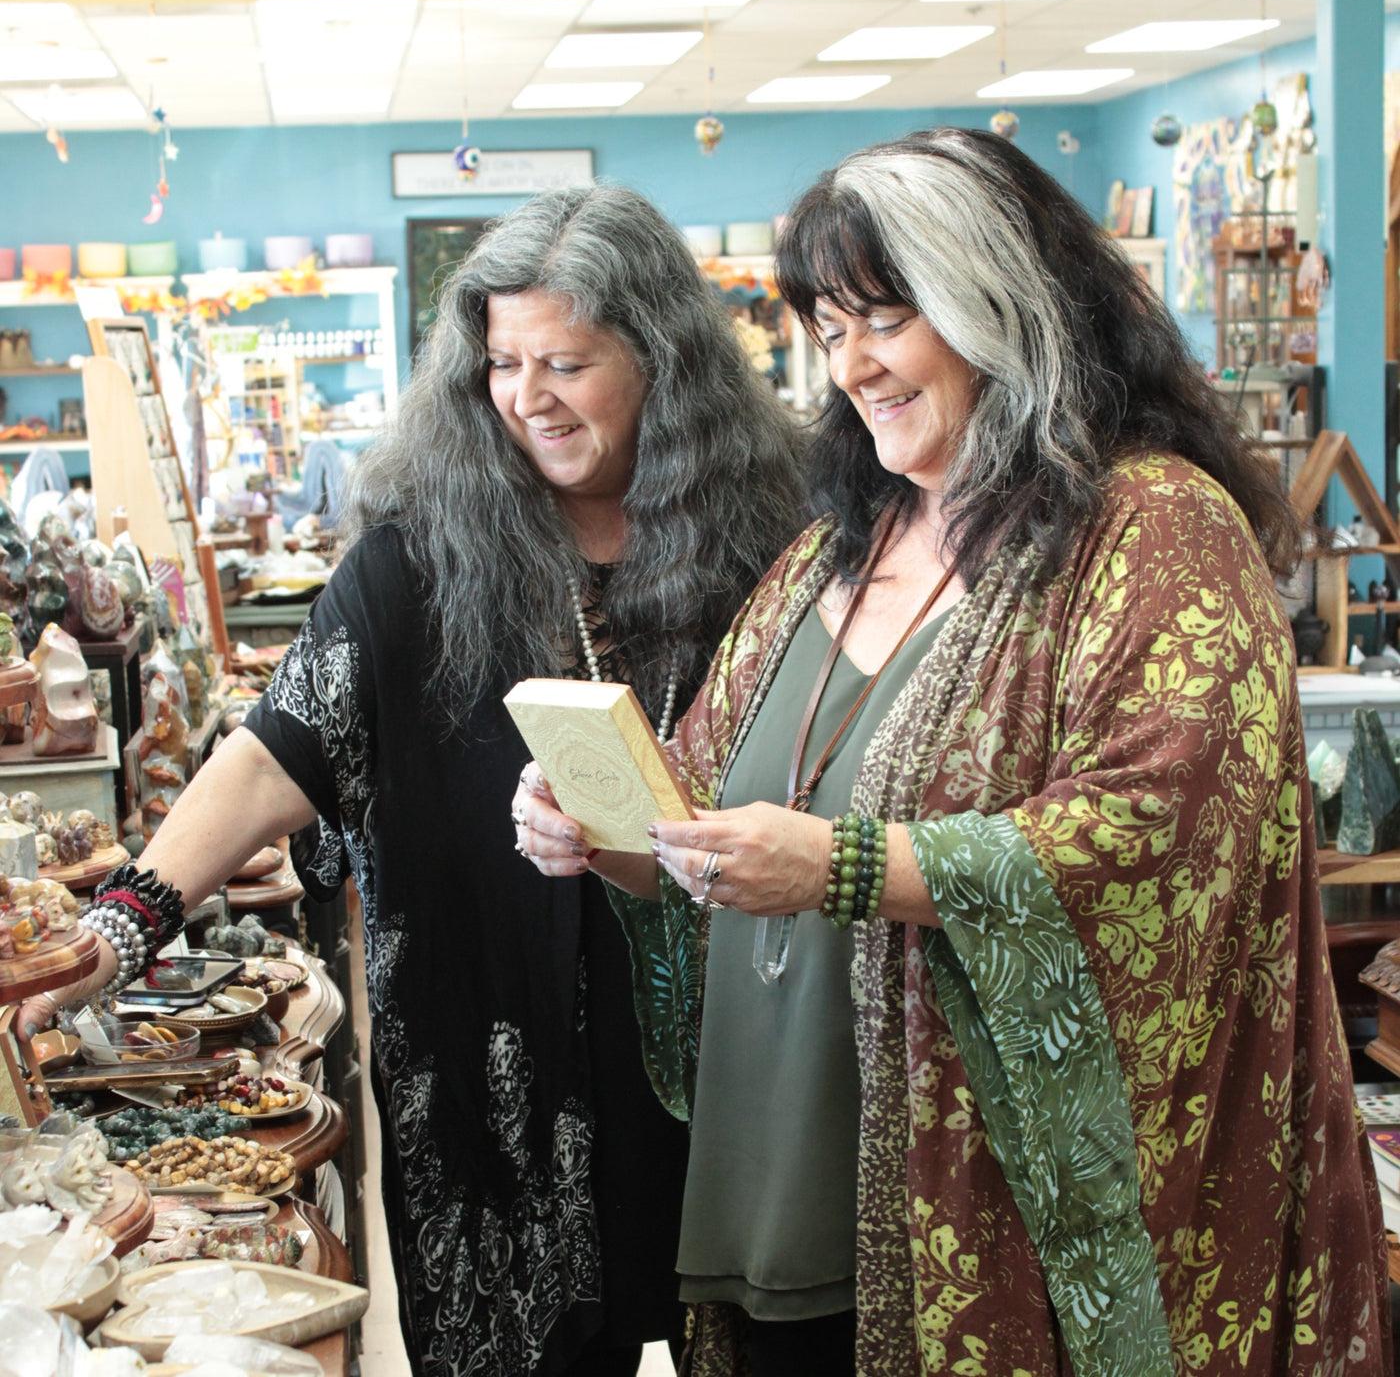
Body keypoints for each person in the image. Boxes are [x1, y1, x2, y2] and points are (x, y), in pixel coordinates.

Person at [516, 129, 1391, 1377]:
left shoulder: (1151, 531)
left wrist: (847, 867)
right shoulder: (835, 546)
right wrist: (606, 830)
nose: (851, 363)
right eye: (826, 327)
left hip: (986, 1245)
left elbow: (1157, 829)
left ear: (999, 299)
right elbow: (707, 811)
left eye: (884, 315)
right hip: (770, 1199)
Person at [20, 185, 803, 1377]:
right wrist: (113, 933)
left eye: (568, 362)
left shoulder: (779, 542)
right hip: (495, 1070)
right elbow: (272, 756)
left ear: (664, 358)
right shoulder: (419, 557)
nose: (527, 396)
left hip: (730, 1041)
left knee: (751, 1329)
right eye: (501, 362)